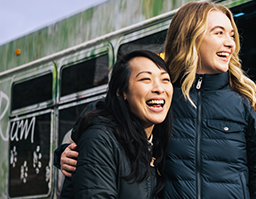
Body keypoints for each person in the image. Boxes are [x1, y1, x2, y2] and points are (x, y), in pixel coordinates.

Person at [59, 1, 256, 198]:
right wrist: (65, 152)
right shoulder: (163, 95)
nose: (230, 43)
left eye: (232, 35)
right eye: (219, 33)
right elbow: (107, 115)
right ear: (192, 36)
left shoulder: (249, 103)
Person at [60, 50, 173, 198]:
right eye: (146, 79)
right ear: (121, 91)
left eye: (165, 80)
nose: (159, 89)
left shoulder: (157, 144)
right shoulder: (99, 140)